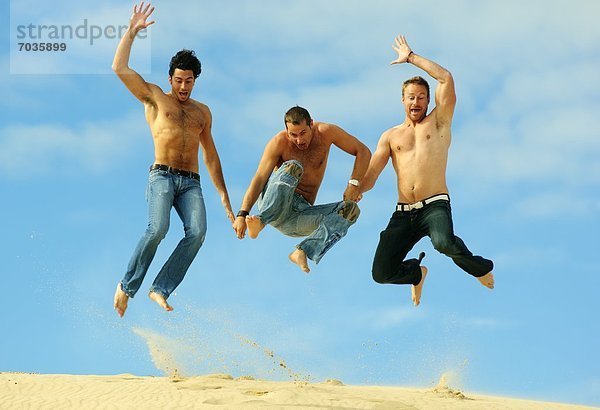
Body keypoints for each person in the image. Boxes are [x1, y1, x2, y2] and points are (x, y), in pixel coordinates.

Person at [112, 2, 234, 317]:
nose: (183, 86)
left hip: (191, 183)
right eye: (178, 80)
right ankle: (127, 286)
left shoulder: (202, 112)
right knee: (157, 229)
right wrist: (131, 32)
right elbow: (120, 69)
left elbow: (211, 155)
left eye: (189, 81)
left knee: (198, 233)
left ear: (195, 80)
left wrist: (225, 200)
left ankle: (160, 288)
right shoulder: (154, 97)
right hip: (163, 176)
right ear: (170, 78)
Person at [360, 35, 494, 306]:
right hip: (403, 213)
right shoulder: (390, 136)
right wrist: (356, 188)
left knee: (443, 242)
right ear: (402, 100)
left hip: (434, 207)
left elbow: (446, 78)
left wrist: (410, 57)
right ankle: (416, 274)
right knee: (380, 273)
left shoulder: (439, 122)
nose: (416, 102)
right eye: (411, 97)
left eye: (422, 97)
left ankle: (480, 269)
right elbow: (372, 173)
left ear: (428, 100)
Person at [232, 106, 371, 273]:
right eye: (293, 135)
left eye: (303, 133)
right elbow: (260, 178)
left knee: (350, 210)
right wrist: (242, 213)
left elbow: (363, 151)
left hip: (298, 217)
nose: (299, 140)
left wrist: (353, 185)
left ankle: (303, 251)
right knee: (294, 166)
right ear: (287, 131)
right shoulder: (278, 142)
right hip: (275, 204)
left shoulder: (327, 132)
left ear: (311, 124)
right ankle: (261, 221)